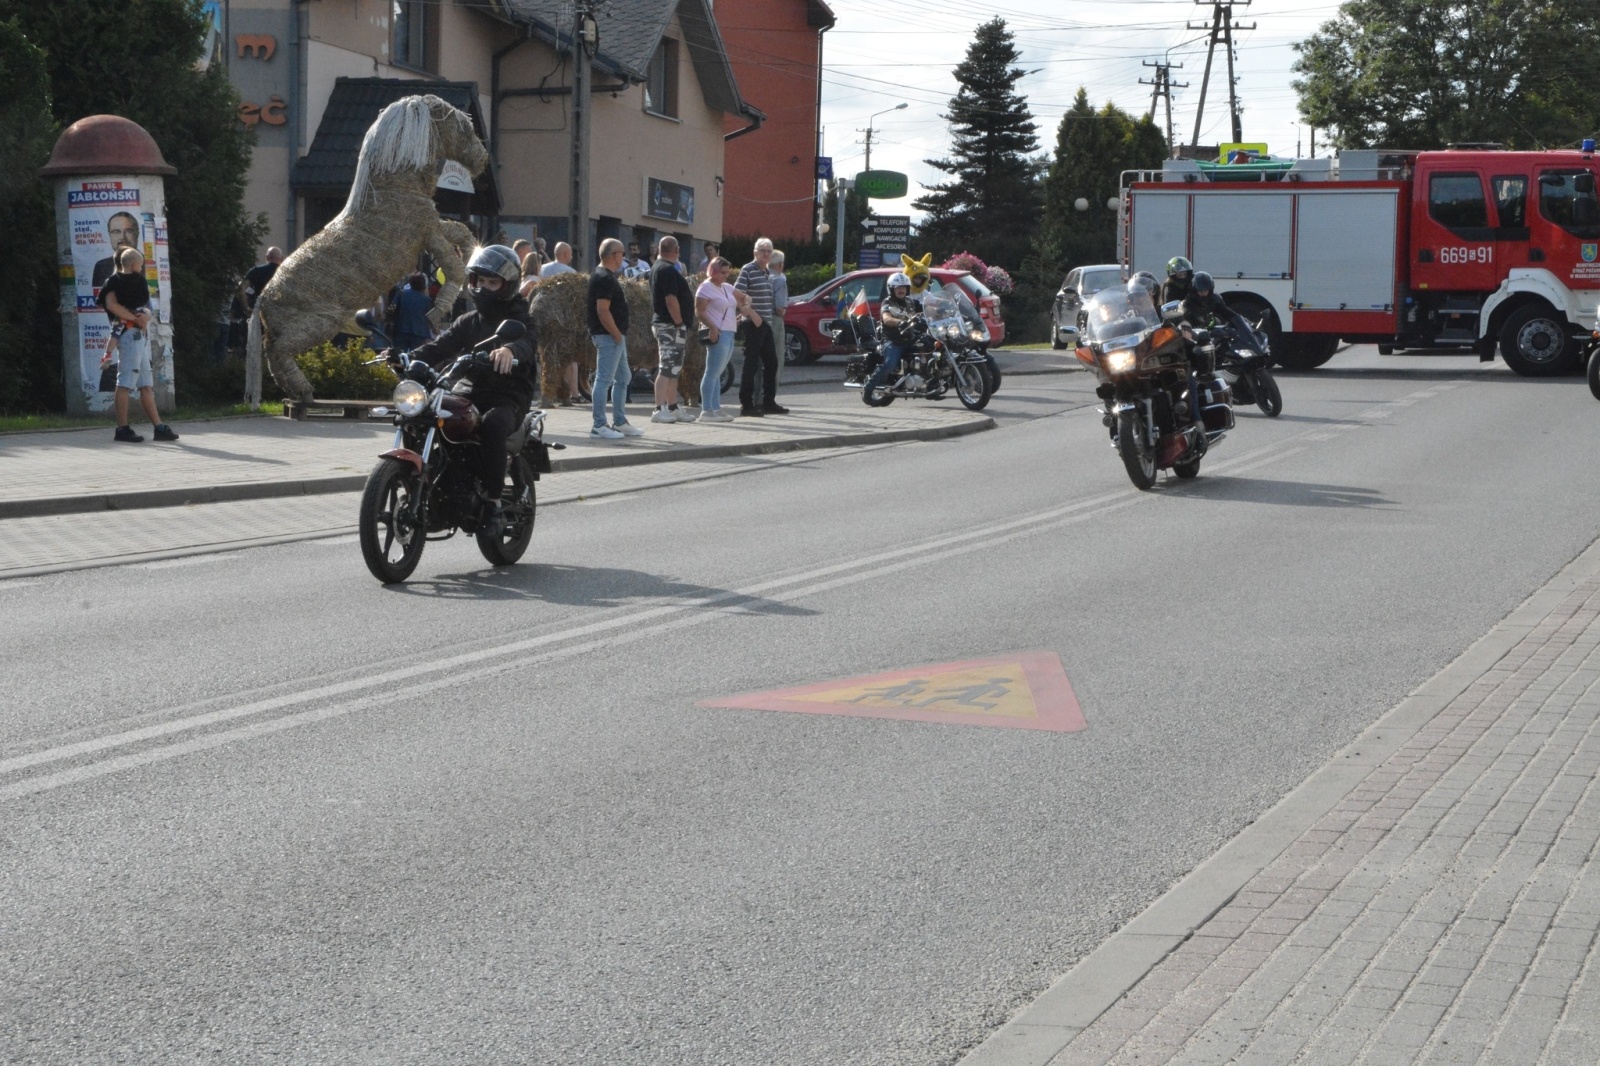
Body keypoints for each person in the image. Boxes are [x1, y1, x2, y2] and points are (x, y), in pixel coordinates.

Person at [402, 245, 538, 528]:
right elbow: (440, 346)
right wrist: (407, 358)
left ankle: (493, 502)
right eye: (480, 281)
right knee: (428, 416)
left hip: (509, 395)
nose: (484, 288)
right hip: (469, 390)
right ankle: (430, 483)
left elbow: (527, 342)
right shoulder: (469, 321)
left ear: (507, 285)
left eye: (492, 283)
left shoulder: (522, 319)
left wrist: (510, 350)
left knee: (493, 426)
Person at [98, 246, 178, 443]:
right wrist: (136, 319)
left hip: (140, 336)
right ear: (131, 264)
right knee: (125, 382)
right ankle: (122, 429)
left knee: (145, 384)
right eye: (139, 265)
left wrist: (146, 316)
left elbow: (146, 306)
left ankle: (159, 428)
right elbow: (111, 305)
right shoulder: (113, 282)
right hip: (128, 336)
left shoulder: (138, 281)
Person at [588, 238, 641, 440]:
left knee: (623, 377)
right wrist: (617, 334)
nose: (624, 257)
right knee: (604, 379)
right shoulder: (604, 277)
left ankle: (619, 421)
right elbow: (602, 310)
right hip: (608, 336)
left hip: (614, 336)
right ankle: (599, 425)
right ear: (614, 255)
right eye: (622, 253)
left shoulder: (605, 275)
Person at [695, 257, 753, 422]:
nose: (725, 275)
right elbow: (699, 311)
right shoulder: (705, 287)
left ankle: (716, 408)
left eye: (727, 272)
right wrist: (712, 327)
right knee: (712, 372)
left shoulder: (726, 287)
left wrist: (745, 307)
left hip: (729, 331)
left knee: (718, 372)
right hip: (718, 332)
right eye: (722, 272)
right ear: (713, 271)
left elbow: (746, 297)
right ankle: (707, 410)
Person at [734, 237, 787, 416]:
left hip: (766, 323)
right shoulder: (748, 269)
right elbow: (736, 294)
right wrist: (751, 314)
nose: (766, 254)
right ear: (755, 252)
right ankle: (746, 405)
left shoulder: (766, 272)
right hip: (754, 323)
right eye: (762, 250)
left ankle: (768, 402)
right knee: (751, 363)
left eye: (768, 251)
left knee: (772, 363)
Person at [650, 236, 695, 423]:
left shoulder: (659, 267)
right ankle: (659, 410)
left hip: (671, 326)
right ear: (676, 251)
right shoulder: (667, 270)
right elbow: (670, 299)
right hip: (669, 326)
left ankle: (673, 407)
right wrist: (679, 322)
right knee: (666, 367)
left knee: (674, 368)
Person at [863, 271, 921, 403]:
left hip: (910, 339)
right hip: (893, 340)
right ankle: (869, 388)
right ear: (891, 289)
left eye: (903, 287)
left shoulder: (910, 302)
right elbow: (887, 318)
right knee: (890, 363)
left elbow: (927, 307)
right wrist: (899, 322)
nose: (901, 290)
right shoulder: (887, 302)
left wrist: (942, 307)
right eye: (898, 287)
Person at [91, 212, 141, 290]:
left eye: (128, 231)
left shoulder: (148, 264)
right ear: (110, 235)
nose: (122, 237)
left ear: (137, 234)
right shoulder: (101, 267)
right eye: (116, 232)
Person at [389, 271, 434, 350]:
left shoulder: (401, 294)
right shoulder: (427, 300)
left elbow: (392, 308)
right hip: (420, 333)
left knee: (398, 354)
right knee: (416, 355)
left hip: (401, 330)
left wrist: (388, 319)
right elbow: (430, 316)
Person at [769, 249, 790, 374]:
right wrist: (784, 311)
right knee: (776, 356)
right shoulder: (780, 279)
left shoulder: (761, 276)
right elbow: (779, 309)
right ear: (780, 264)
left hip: (758, 318)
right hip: (774, 320)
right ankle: (772, 384)